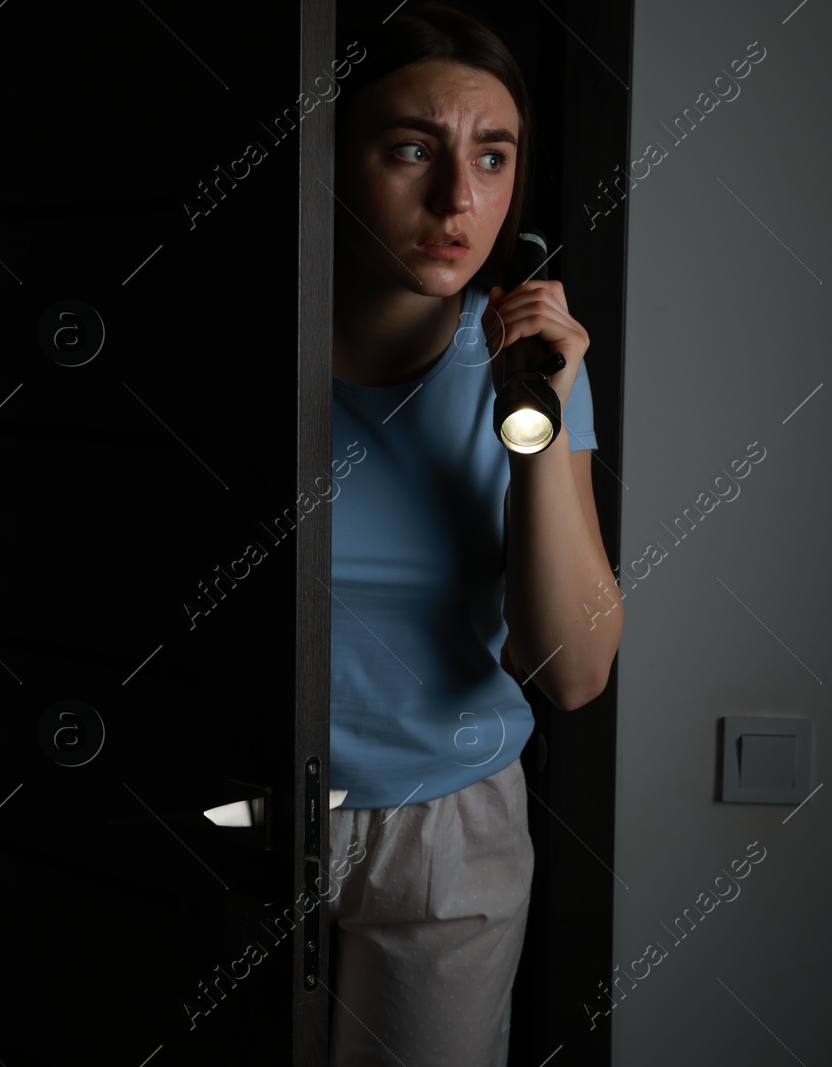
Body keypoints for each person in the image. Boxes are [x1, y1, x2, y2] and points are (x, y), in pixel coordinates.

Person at [326, 4, 624, 1064]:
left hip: (449, 825)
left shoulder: (531, 380)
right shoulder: (236, 345)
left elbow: (576, 669)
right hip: (252, 802)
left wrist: (532, 419)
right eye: (412, 149)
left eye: (490, 158)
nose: (458, 198)